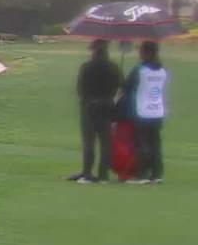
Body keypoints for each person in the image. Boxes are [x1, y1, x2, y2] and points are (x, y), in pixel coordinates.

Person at [67, 39, 121, 184]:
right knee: (105, 142)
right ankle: (103, 175)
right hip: (107, 105)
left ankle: (87, 173)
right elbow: (119, 85)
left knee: (89, 142)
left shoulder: (86, 67)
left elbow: (80, 89)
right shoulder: (114, 67)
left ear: (94, 51)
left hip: (89, 106)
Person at [121, 41, 168, 184]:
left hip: (142, 111)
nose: (139, 53)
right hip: (157, 111)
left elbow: (126, 87)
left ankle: (142, 175)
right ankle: (157, 174)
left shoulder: (140, 70)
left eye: (141, 51)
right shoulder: (162, 70)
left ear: (147, 53)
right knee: (155, 144)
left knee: (142, 144)